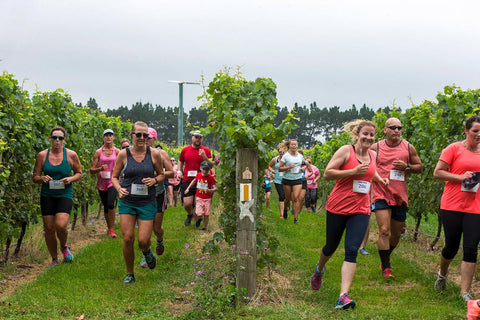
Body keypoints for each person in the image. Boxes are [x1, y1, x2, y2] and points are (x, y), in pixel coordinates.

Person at [310, 120, 388, 310]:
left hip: (361, 209)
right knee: (330, 247)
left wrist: (381, 180)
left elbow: (371, 172)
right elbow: (328, 173)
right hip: (338, 207)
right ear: (357, 134)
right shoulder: (346, 151)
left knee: (352, 249)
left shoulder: (373, 155)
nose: (368, 138)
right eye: (365, 134)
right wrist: (352, 171)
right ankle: (319, 269)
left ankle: (343, 296)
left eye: (371, 135)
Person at [433, 115, 480, 302]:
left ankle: (464, 293)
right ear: (466, 131)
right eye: (475, 131)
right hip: (452, 204)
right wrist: (460, 177)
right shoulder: (453, 149)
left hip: (476, 206)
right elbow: (437, 173)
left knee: (471, 248)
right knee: (451, 247)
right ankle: (442, 275)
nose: (479, 134)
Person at [111, 121, 165, 284]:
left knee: (143, 240)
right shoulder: (123, 154)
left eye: (145, 135)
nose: (142, 138)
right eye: (138, 135)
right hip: (127, 201)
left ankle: (147, 251)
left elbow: (162, 175)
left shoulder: (154, 154)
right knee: (127, 238)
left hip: (147, 202)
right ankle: (130, 273)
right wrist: (119, 189)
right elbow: (114, 176)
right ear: (132, 135)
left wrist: (155, 180)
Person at [370, 117, 423, 278]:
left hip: (399, 195)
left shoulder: (408, 148)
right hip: (380, 193)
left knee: (396, 234)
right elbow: (367, 167)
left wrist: (407, 167)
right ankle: (387, 269)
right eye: (393, 127)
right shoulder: (375, 147)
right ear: (385, 130)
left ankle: (385, 256)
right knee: (384, 230)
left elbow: (419, 167)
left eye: (399, 127)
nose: (397, 130)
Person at [32, 127, 82, 266]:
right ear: (50, 138)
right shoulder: (42, 155)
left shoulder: (71, 155)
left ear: (64, 140)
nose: (57, 141)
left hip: (64, 193)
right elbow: (34, 177)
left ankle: (64, 246)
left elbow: (79, 173)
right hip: (47, 194)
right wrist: (41, 178)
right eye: (54, 138)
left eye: (60, 138)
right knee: (48, 228)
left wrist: (70, 179)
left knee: (60, 225)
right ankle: (54, 259)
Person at [138, 128, 173, 268]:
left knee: (156, 227)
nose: (146, 140)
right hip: (141, 195)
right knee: (144, 228)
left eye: (149, 137)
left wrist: (157, 176)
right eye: (144, 137)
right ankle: (145, 256)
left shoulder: (161, 153)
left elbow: (171, 173)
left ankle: (159, 240)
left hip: (158, 194)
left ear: (155, 139)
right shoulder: (136, 154)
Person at [177, 130, 213, 227]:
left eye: (199, 137)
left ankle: (198, 220)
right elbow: (180, 161)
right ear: (192, 138)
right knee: (187, 203)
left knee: (198, 203)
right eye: (196, 137)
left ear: (202, 139)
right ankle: (190, 214)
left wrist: (204, 157)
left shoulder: (206, 150)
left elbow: (211, 165)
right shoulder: (185, 150)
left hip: (201, 180)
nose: (197, 139)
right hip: (187, 180)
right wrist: (179, 171)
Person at [90, 129, 120, 238]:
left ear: (113, 138)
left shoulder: (117, 152)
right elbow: (91, 170)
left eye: (110, 135)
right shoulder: (98, 152)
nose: (108, 137)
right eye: (106, 135)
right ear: (103, 138)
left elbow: (123, 164)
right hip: (102, 182)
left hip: (113, 181)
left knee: (111, 204)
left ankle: (112, 229)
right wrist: (100, 169)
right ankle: (109, 228)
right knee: (106, 206)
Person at [184, 160, 217, 230]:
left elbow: (215, 188)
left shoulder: (211, 178)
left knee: (207, 214)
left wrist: (209, 190)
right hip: (199, 197)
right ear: (200, 168)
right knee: (199, 212)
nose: (205, 171)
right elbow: (194, 181)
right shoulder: (198, 175)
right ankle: (199, 218)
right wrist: (188, 188)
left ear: (209, 170)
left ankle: (204, 227)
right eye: (204, 169)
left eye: (207, 169)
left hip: (207, 198)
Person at [279, 139, 304, 224]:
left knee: (296, 198)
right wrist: (288, 167)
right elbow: (280, 168)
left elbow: (304, 164)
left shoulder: (300, 156)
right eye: (292, 144)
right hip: (287, 179)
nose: (294, 146)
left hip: (297, 179)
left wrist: (303, 168)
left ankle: (295, 219)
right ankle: (285, 209)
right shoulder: (285, 156)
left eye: (295, 144)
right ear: (289, 146)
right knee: (288, 199)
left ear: (297, 146)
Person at [268, 147, 286, 219]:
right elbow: (269, 166)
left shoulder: (288, 160)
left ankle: (286, 209)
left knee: (286, 197)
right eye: (280, 153)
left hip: (287, 180)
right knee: (281, 196)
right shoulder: (275, 159)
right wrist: (272, 171)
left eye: (283, 153)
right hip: (277, 180)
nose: (281, 155)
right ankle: (281, 214)